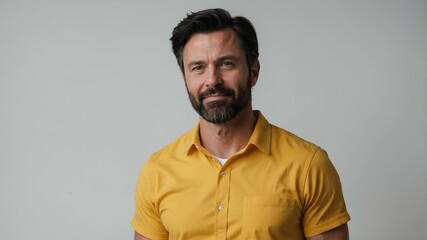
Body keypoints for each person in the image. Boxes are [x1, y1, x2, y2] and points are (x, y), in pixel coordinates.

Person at [131, 8, 350, 240]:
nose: (212, 80)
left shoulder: (309, 166)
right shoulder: (157, 172)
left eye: (226, 64)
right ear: (185, 78)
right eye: (198, 68)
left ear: (253, 71)